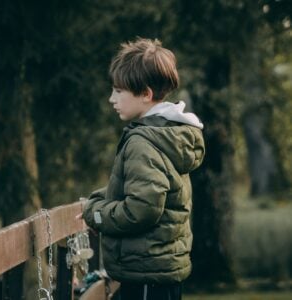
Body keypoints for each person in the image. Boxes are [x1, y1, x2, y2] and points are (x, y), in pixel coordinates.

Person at [80, 38, 205, 300]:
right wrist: (100, 199)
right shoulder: (168, 134)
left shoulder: (143, 141)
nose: (111, 98)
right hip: (158, 273)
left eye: (118, 91)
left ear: (146, 94)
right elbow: (148, 189)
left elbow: (141, 209)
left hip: (147, 277)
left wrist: (97, 216)